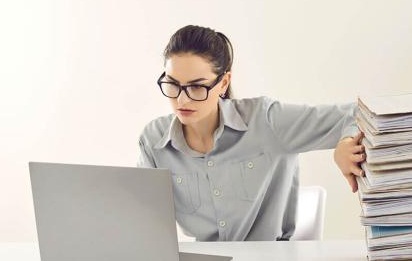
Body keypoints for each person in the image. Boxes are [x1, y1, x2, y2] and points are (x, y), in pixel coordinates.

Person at [137, 25, 365, 241]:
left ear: (224, 82)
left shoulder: (267, 121)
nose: (182, 99)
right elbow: (140, 221)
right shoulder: (153, 141)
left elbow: (358, 112)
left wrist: (345, 141)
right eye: (173, 84)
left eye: (197, 86)